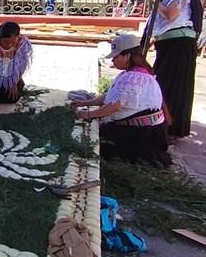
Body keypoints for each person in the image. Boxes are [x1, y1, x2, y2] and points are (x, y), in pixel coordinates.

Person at [71, 34, 170, 165]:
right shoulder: (135, 74)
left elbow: (115, 106)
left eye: (116, 57)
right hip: (149, 132)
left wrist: (88, 114)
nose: (113, 62)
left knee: (90, 145)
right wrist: (84, 103)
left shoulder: (132, 78)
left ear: (128, 55)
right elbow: (110, 96)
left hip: (140, 136)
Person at [144, 0, 202, 138]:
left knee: (168, 84)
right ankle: (165, 122)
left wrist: (156, 2)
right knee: (165, 82)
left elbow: (171, 15)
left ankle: (169, 124)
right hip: (171, 44)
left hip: (178, 45)